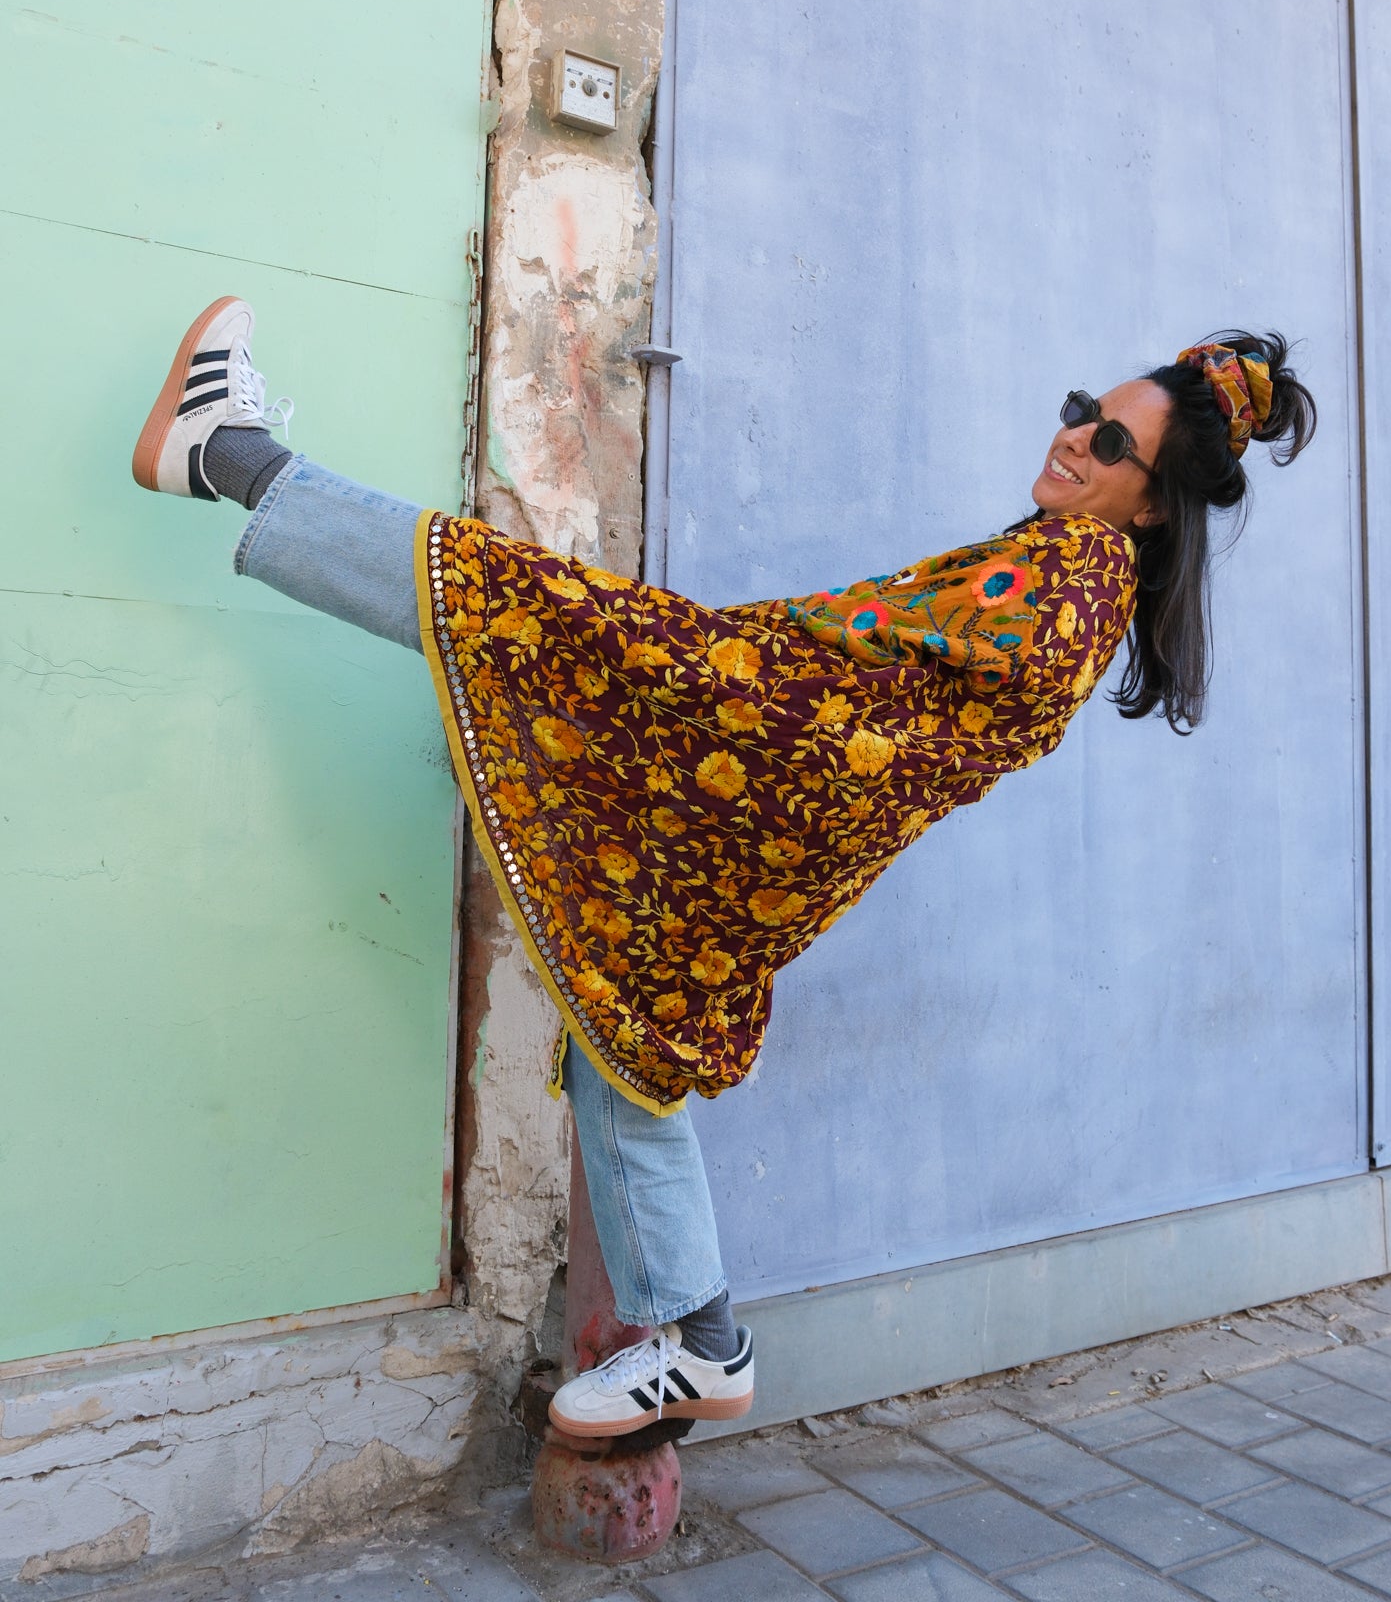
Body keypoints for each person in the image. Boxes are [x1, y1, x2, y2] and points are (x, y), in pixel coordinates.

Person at [133, 297, 1316, 1439]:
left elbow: (877, 684)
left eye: (1108, 441)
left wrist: (708, 672)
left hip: (763, 769)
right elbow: (887, 659)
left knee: (512, 606)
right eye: (1078, 409)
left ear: (1153, 504)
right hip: (771, 782)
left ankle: (227, 453)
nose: (1071, 436)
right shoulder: (1067, 569)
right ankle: (703, 1337)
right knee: (631, 1011)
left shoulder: (1071, 578)